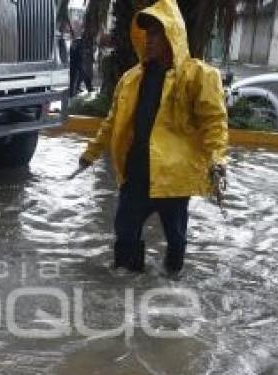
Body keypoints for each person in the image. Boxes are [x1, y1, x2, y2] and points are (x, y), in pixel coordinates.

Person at [78, 0, 228, 276]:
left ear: (172, 34)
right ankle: (125, 291)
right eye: (147, 33)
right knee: (125, 238)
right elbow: (112, 122)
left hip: (174, 180)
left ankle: (171, 289)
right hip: (136, 175)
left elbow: (214, 123)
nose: (149, 39)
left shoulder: (198, 76)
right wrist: (90, 154)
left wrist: (217, 161)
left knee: (176, 241)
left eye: (157, 33)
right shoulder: (131, 79)